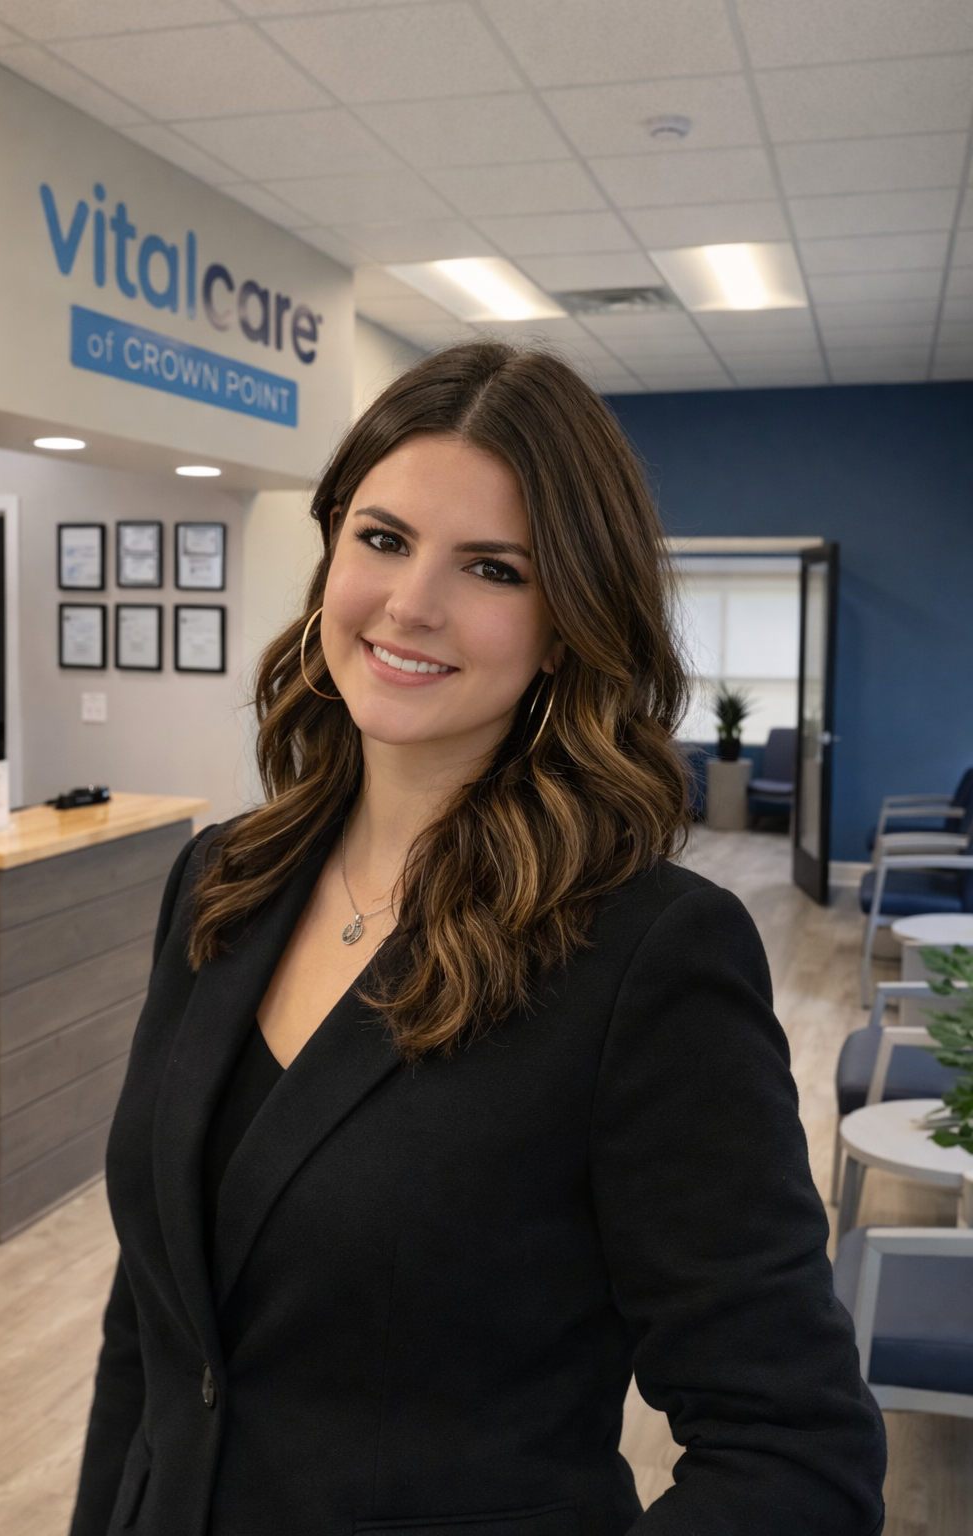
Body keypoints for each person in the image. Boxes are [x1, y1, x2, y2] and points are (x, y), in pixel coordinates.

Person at [71, 342, 885, 1536]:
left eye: (492, 568)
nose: (411, 605)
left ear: (565, 624)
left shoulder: (647, 956)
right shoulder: (219, 880)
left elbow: (793, 1448)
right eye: (383, 538)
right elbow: (149, 1327)